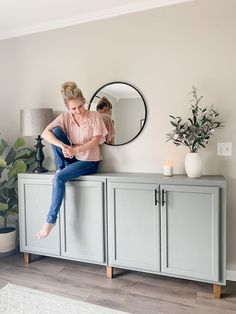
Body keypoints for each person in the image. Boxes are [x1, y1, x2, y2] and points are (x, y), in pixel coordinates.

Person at [36, 82, 108, 239]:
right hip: (71, 159)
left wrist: (76, 150)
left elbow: (96, 141)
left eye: (80, 106)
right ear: (67, 107)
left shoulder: (94, 116)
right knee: (54, 132)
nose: (78, 111)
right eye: (73, 108)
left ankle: (50, 221)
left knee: (59, 178)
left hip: (89, 161)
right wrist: (62, 146)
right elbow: (44, 133)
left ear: (84, 101)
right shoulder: (65, 117)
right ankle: (61, 167)